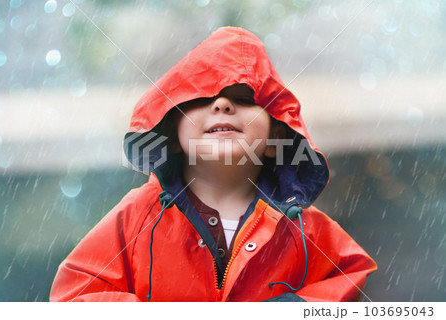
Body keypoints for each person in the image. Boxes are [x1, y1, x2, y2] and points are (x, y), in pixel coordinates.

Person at [50, 27, 377, 302]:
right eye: (200, 99)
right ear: (172, 134)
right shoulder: (136, 216)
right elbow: (75, 294)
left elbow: (349, 275)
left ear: (278, 134)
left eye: (245, 99)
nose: (221, 104)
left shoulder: (305, 228)